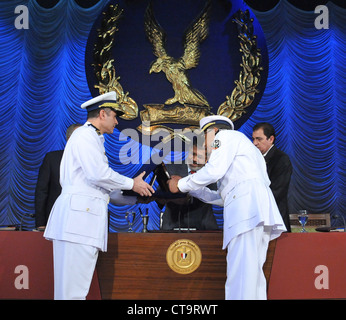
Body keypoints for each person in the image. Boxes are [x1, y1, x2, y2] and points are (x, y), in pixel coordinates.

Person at [44, 91, 154, 300]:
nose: (117, 121)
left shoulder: (93, 138)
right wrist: (133, 183)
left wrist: (137, 196)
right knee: (73, 291)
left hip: (80, 221)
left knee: (73, 290)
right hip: (78, 222)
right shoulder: (85, 136)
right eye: (115, 116)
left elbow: (102, 188)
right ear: (103, 114)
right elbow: (98, 175)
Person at [167, 115, 286, 300]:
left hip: (246, 212)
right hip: (254, 210)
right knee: (252, 274)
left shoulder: (222, 138)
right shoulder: (244, 150)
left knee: (240, 272)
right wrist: (194, 190)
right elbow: (224, 196)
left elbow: (213, 171)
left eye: (205, 138)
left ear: (212, 131)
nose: (206, 146)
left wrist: (181, 184)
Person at [160, 139, 219, 231]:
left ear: (207, 159)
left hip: (204, 226)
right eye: (193, 154)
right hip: (172, 224)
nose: (194, 159)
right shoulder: (171, 168)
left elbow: (216, 196)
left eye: (199, 156)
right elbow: (159, 198)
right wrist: (172, 196)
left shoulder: (212, 173)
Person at [35, 124, 82, 230]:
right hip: (56, 219)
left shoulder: (91, 161)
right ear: (70, 139)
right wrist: (40, 222)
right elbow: (42, 192)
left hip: (82, 220)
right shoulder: (52, 159)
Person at [252, 122, 292, 232]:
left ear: (271, 139)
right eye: (253, 139)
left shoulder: (281, 159)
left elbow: (277, 192)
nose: (255, 143)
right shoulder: (253, 160)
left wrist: (251, 203)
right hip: (256, 221)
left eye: (259, 139)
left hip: (274, 221)